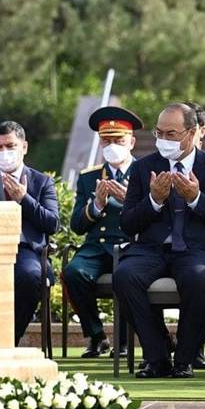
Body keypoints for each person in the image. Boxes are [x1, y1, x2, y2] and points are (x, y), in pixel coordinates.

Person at [113, 103, 205, 379]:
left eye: (171, 134)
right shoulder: (143, 167)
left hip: (197, 250)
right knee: (124, 275)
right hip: (151, 250)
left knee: (196, 278)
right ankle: (157, 356)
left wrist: (196, 199)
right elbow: (127, 224)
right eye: (159, 133)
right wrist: (154, 200)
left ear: (192, 133)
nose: (163, 140)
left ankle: (184, 360)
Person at [64, 107, 142, 358]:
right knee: (73, 272)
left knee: (126, 275)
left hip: (132, 245)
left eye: (118, 140)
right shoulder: (90, 177)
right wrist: (96, 205)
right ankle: (97, 335)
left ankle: (124, 340)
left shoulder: (145, 173)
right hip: (97, 246)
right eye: (106, 141)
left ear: (131, 142)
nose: (112, 146)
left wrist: (131, 201)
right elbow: (77, 225)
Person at [0, 121, 60, 345]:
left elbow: (52, 224)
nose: (4, 152)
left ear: (24, 147)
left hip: (26, 250)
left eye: (10, 146)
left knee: (31, 276)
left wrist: (24, 199)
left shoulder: (41, 182)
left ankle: (9, 338)